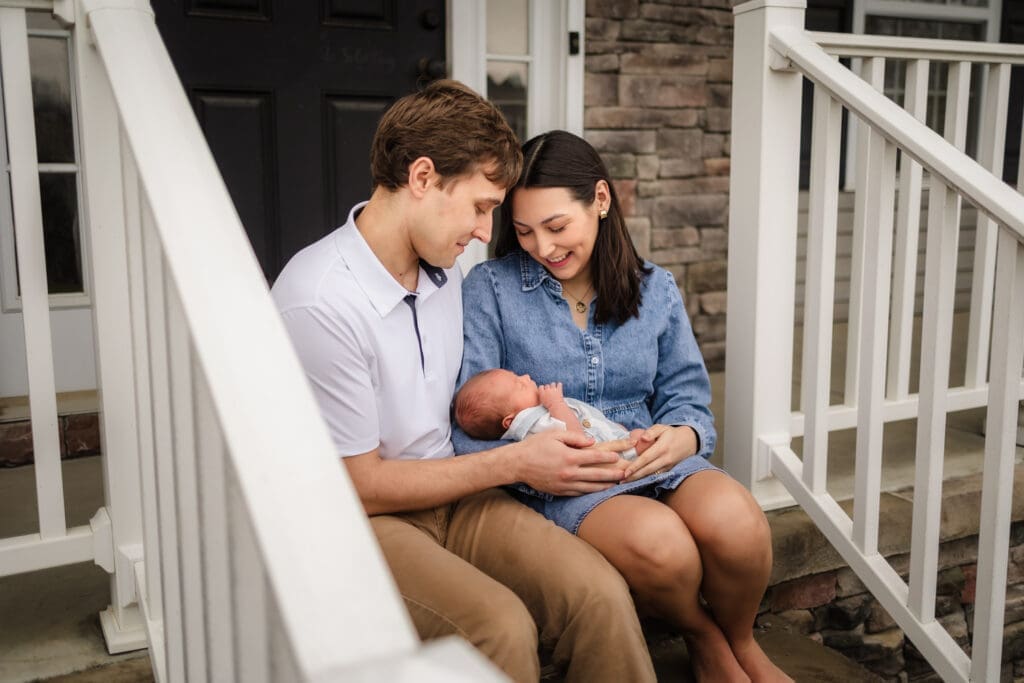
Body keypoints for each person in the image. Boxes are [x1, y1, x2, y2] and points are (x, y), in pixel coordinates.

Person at [271, 81, 658, 683]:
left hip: (455, 496)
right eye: (481, 207)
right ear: (422, 178)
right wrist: (518, 464)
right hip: (359, 523)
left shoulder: (447, 275)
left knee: (599, 594)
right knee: (499, 626)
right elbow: (360, 486)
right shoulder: (320, 300)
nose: (486, 233)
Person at [453, 130, 792, 683]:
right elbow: (475, 414)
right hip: (571, 478)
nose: (543, 246)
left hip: (652, 453)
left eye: (557, 226)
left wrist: (684, 435)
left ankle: (742, 641)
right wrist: (541, 460)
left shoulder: (654, 288)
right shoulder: (490, 289)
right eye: (523, 231)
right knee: (665, 547)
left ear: (601, 201)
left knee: (740, 525)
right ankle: (703, 636)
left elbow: (687, 397)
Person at [454, 368, 645, 460]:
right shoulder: (534, 426)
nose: (526, 377)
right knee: (645, 441)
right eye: (520, 385)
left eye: (518, 376)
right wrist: (556, 403)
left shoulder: (539, 413)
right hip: (608, 458)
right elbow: (577, 439)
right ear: (510, 420)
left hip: (614, 442)